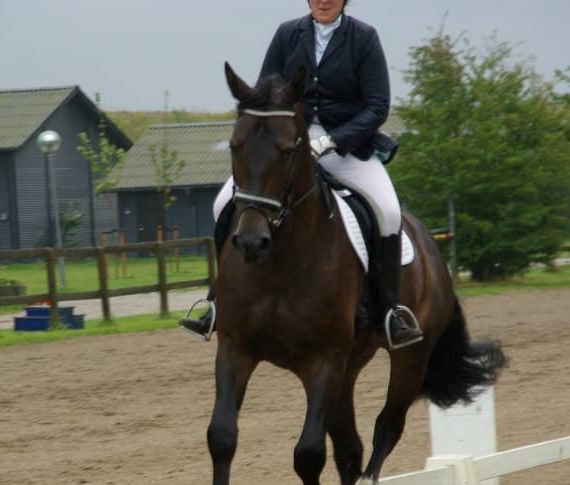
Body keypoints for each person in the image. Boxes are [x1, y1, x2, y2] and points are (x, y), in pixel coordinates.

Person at [180, 0, 423, 349]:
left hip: (346, 145)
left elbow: (377, 106)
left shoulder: (364, 38)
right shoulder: (287, 34)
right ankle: (217, 302)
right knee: (222, 205)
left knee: (387, 211)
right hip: (287, 143)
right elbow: (265, 94)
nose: (323, 1)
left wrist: (333, 140)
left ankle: (389, 311)